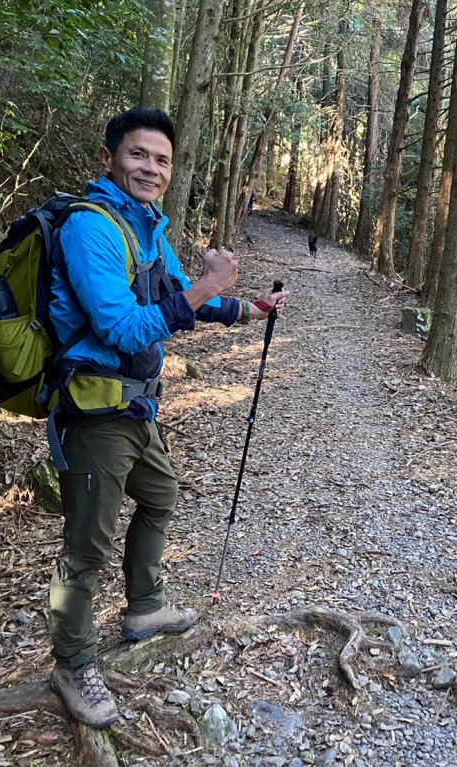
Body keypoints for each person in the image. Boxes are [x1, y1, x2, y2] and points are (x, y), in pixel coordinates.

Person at [46, 107, 289, 729]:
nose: (150, 168)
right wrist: (206, 288)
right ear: (109, 159)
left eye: (161, 160)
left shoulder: (147, 228)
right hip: (92, 410)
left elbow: (179, 295)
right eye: (138, 155)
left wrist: (247, 306)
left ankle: (144, 607)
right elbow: (122, 326)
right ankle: (72, 664)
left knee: (160, 493)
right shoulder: (91, 229)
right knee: (86, 548)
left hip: (134, 404)